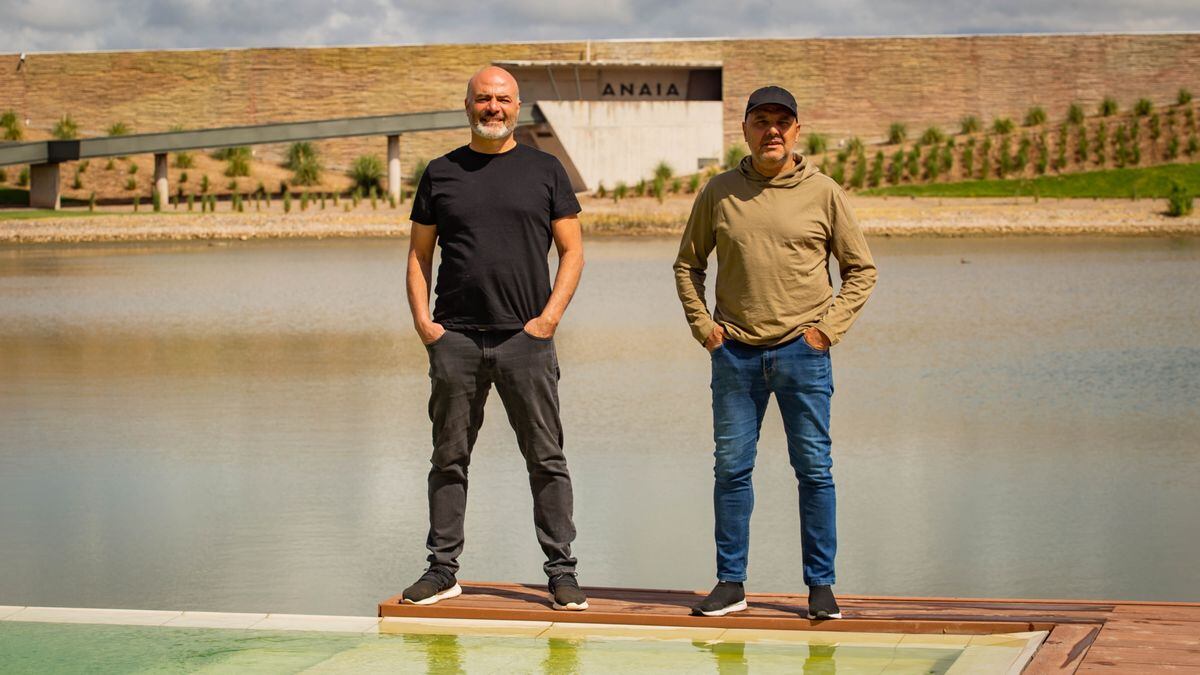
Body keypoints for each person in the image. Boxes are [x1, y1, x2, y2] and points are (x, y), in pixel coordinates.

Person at [674, 85, 877, 619]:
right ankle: (731, 583)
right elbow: (687, 266)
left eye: (782, 122)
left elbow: (861, 271)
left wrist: (825, 333)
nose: (772, 131)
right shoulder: (719, 192)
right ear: (744, 129)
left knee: (814, 469)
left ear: (796, 132)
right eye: (761, 121)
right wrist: (705, 329)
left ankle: (821, 588)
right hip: (734, 353)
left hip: (803, 354)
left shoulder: (824, 192)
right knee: (732, 470)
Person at [402, 66, 588, 611]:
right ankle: (442, 570)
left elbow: (573, 252)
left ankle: (562, 572)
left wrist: (548, 320)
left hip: (525, 340)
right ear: (467, 106)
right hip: (455, 339)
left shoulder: (545, 170)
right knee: (448, 458)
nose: (493, 107)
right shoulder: (441, 173)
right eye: (483, 98)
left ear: (518, 106)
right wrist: (424, 324)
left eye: (502, 99)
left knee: (546, 458)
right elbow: (419, 256)